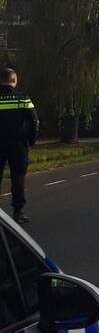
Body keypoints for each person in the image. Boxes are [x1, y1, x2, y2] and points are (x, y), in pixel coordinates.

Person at [0, 68, 38, 224]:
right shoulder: (23, 99)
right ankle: (18, 212)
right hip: (18, 145)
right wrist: (30, 140)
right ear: (14, 81)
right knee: (18, 178)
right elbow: (34, 121)